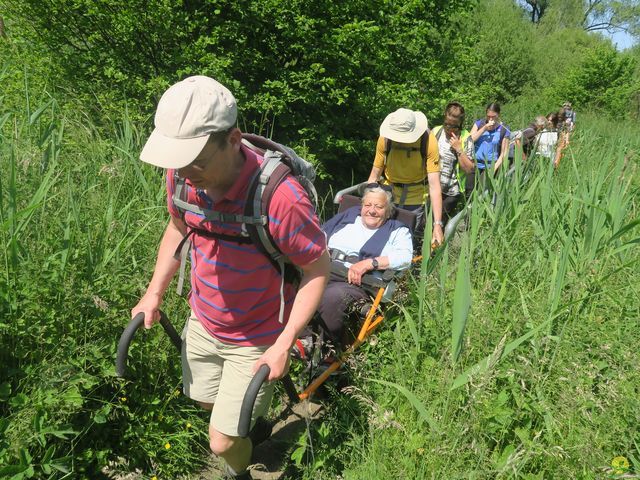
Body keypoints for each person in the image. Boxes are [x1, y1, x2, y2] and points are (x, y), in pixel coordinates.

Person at [131, 76, 330, 480]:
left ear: (234, 139)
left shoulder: (280, 197)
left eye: (198, 161)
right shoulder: (182, 177)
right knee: (206, 403)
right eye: (179, 162)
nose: (186, 173)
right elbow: (176, 228)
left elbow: (316, 268)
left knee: (221, 441)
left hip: (258, 335)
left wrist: (284, 343)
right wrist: (153, 293)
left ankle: (240, 471)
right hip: (203, 321)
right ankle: (248, 432)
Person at [316, 184, 413, 345]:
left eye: (379, 206)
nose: (372, 210)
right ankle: (295, 339)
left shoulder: (396, 230)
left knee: (331, 297)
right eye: (368, 205)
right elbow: (320, 232)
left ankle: (328, 349)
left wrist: (370, 263)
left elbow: (404, 258)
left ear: (387, 210)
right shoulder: (348, 216)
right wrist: (321, 246)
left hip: (357, 283)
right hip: (326, 268)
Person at [366, 108, 444, 245]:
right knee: (379, 238)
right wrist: (366, 205)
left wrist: (437, 224)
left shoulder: (428, 141)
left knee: (405, 240)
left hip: (416, 197)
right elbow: (374, 175)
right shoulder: (384, 139)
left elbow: (434, 185)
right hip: (387, 194)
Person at [431, 102, 474, 222]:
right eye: (446, 124)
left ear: (460, 124)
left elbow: (469, 169)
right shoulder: (436, 131)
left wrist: (459, 149)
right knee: (427, 222)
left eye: (453, 126)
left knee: (439, 223)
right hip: (433, 187)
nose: (448, 129)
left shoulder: (466, 137)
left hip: (451, 191)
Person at [468, 102, 511, 195]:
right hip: (474, 164)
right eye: (488, 116)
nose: (490, 119)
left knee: (482, 193)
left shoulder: (504, 129)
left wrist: (494, 168)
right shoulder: (479, 124)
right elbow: (470, 140)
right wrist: (484, 128)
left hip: (490, 166)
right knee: (469, 192)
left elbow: (504, 152)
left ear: (498, 115)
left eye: (493, 116)